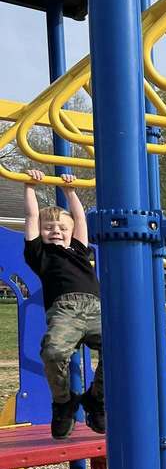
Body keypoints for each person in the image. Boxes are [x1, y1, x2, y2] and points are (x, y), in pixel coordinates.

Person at [24, 169, 105, 439]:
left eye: (61, 228)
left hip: (95, 308)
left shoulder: (80, 249)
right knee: (54, 353)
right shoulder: (40, 254)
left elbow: (79, 217)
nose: (55, 231)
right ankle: (63, 402)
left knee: (120, 349)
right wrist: (30, 187)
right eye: (49, 228)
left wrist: (71, 191)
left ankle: (96, 398)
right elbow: (31, 216)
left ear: (71, 232)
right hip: (64, 311)